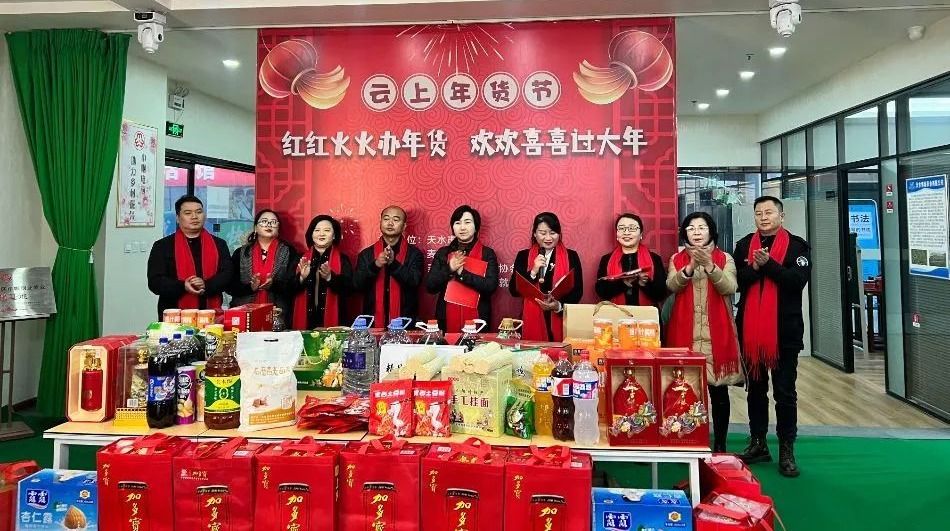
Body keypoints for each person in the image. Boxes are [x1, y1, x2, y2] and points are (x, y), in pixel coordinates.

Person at [734, 196, 810, 478]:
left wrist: (768, 265)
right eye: (759, 213)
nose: (764, 217)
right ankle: (758, 443)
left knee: (784, 393)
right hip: (751, 332)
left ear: (781, 215)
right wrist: (754, 268)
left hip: (784, 333)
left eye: (769, 212)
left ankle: (787, 449)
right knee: (755, 390)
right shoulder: (744, 245)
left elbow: (796, 282)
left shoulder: (797, 246)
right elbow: (737, 282)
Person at [665, 212, 743, 453]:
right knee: (685, 392)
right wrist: (690, 266)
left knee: (718, 393)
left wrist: (709, 265)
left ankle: (719, 444)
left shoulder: (725, 258)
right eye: (691, 228)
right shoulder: (677, 259)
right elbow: (672, 285)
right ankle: (687, 440)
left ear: (711, 231)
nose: (696, 232)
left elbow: (730, 287)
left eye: (702, 227)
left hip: (715, 337)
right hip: (684, 335)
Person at [147, 195, 233, 319]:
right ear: (178, 218)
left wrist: (205, 284)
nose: (194, 216)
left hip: (212, 315)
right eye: (188, 213)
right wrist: (183, 286)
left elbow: (227, 274)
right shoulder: (162, 246)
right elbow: (155, 282)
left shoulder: (219, 244)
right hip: (174, 316)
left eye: (199, 212)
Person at [509, 212, 583, 342]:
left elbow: (577, 291)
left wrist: (557, 306)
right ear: (534, 234)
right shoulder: (523, 256)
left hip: (561, 319)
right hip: (532, 320)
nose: (548, 238)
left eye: (553, 233)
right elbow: (513, 290)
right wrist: (533, 271)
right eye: (542, 233)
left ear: (559, 233)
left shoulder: (571, 256)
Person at [425, 205, 499, 331]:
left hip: (478, 319)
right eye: (458, 223)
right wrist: (449, 269)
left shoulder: (487, 254)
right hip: (446, 318)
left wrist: (462, 273)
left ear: (476, 227)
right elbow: (430, 286)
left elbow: (490, 286)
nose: (462, 227)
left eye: (467, 222)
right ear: (453, 227)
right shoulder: (443, 253)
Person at [352, 206, 424, 325]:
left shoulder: (415, 254)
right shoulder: (366, 254)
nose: (390, 223)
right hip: (372, 323)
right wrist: (376, 265)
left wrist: (393, 264)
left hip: (405, 323)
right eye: (386, 219)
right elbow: (357, 285)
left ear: (404, 226)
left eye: (396, 220)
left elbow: (414, 282)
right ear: (380, 223)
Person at [227, 209, 300, 324]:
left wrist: (273, 285)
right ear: (255, 227)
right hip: (243, 316)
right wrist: (250, 287)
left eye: (273, 222)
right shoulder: (241, 253)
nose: (269, 225)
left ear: (278, 228)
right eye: (264, 221)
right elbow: (229, 286)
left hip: (278, 315)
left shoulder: (289, 252)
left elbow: (294, 286)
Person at [293, 214, 353, 329]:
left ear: (334, 235)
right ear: (311, 234)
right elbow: (287, 290)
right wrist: (301, 278)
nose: (321, 234)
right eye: (317, 230)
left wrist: (330, 278)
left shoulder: (342, 259)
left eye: (327, 230)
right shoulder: (300, 258)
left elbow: (350, 289)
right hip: (306, 322)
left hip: (335, 322)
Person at [595, 213, 668, 307]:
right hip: (615, 313)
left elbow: (661, 294)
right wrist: (622, 283)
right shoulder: (606, 259)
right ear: (617, 234)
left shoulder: (655, 258)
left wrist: (644, 283)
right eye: (622, 228)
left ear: (641, 234)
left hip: (647, 315)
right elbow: (601, 292)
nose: (626, 232)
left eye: (632, 228)